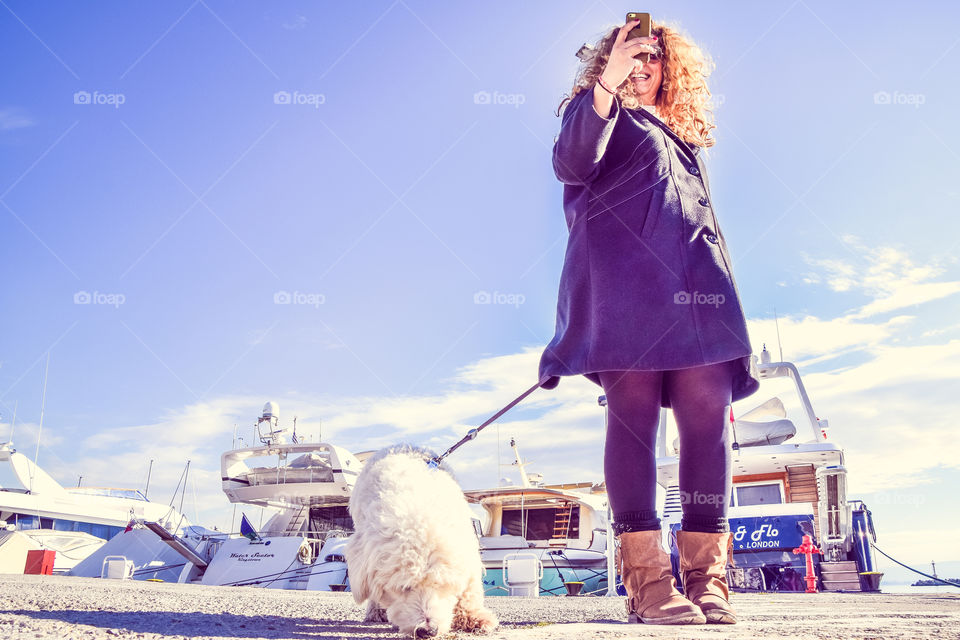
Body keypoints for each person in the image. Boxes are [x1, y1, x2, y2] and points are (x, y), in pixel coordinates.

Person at [537, 18, 761, 625]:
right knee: (635, 426)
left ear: (671, 69)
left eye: (652, 58)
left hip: (701, 297)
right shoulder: (597, 112)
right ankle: (647, 584)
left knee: (707, 423)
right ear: (605, 64)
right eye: (627, 57)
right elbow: (571, 161)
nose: (641, 67)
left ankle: (707, 579)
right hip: (625, 294)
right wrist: (606, 86)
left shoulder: (680, 131)